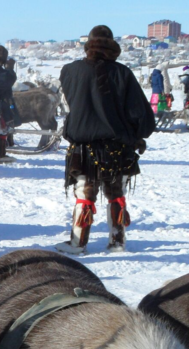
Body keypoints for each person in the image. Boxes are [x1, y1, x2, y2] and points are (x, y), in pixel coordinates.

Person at [55, 25, 154, 254]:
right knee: (116, 193)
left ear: (88, 44)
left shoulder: (70, 71)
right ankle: (117, 242)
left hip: (83, 145)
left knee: (84, 193)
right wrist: (137, 135)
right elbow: (138, 112)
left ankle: (78, 243)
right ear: (112, 46)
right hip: (117, 146)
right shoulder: (123, 73)